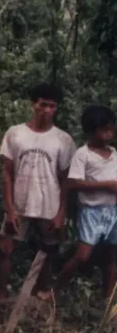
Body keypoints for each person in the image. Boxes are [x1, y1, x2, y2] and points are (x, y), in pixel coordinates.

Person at [0, 83, 75, 309]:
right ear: (33, 104)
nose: (46, 110)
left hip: (49, 205)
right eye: (42, 105)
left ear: (56, 108)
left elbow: (65, 181)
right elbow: (7, 173)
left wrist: (61, 214)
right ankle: (0, 297)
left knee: (48, 251)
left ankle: (41, 296)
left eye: (51, 106)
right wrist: (10, 209)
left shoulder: (63, 140)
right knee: (4, 249)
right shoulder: (16, 133)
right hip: (20, 204)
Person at [53, 106, 117, 297]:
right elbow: (73, 183)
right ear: (91, 130)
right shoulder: (84, 154)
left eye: (111, 128)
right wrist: (106, 186)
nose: (108, 133)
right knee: (82, 256)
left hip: (113, 211)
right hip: (92, 212)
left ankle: (107, 300)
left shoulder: (114, 154)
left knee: (112, 258)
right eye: (103, 129)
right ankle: (55, 292)